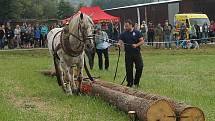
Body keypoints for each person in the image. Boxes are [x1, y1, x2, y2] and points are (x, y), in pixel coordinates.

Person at [117, 19, 144, 88]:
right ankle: (130, 83)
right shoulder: (123, 33)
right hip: (128, 54)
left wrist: (136, 45)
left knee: (140, 67)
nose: (125, 28)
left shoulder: (137, 32)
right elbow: (120, 41)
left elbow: (142, 41)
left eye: (127, 26)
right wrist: (119, 44)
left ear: (131, 25)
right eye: (125, 26)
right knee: (129, 69)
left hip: (137, 53)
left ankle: (136, 82)